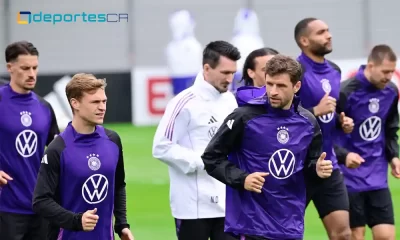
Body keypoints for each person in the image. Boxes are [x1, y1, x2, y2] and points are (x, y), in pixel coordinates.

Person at [202, 54, 334, 240]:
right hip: (250, 224)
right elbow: (211, 158)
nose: (273, 91)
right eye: (269, 84)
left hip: (290, 224)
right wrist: (242, 179)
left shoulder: (308, 122)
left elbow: (309, 168)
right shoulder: (243, 117)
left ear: (296, 87)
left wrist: (317, 170)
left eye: (280, 86)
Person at [152, 40, 240, 240]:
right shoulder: (184, 102)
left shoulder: (230, 100)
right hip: (193, 206)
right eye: (225, 72)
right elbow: (160, 147)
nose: (230, 78)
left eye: (233, 73)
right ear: (207, 68)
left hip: (227, 204)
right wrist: (204, 162)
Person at [32, 73, 134, 240]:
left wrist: (122, 225)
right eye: (95, 102)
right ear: (75, 103)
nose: (102, 107)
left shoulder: (113, 140)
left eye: (104, 101)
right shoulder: (57, 149)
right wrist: (76, 221)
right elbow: (41, 201)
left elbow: (118, 185)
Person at [294, 17, 354, 240]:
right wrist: (314, 111)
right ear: (304, 40)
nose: (328, 35)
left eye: (328, 30)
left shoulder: (335, 70)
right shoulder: (295, 71)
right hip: (298, 167)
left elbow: (330, 113)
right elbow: (282, 117)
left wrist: (341, 122)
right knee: (284, 233)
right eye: (321, 32)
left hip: (328, 164)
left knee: (343, 234)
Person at [335, 44, 400, 240]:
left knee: (386, 236)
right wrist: (344, 155)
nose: (389, 76)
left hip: (377, 177)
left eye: (392, 71)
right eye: (385, 71)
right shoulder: (345, 91)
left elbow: (389, 130)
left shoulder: (391, 91)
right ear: (371, 66)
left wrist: (394, 156)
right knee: (356, 235)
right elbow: (326, 132)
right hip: (349, 177)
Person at [0, 41, 60, 240]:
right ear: (10, 67)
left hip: (40, 207)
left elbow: (57, 155)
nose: (32, 74)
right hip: (6, 208)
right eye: (25, 68)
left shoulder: (44, 107)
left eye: (35, 68)